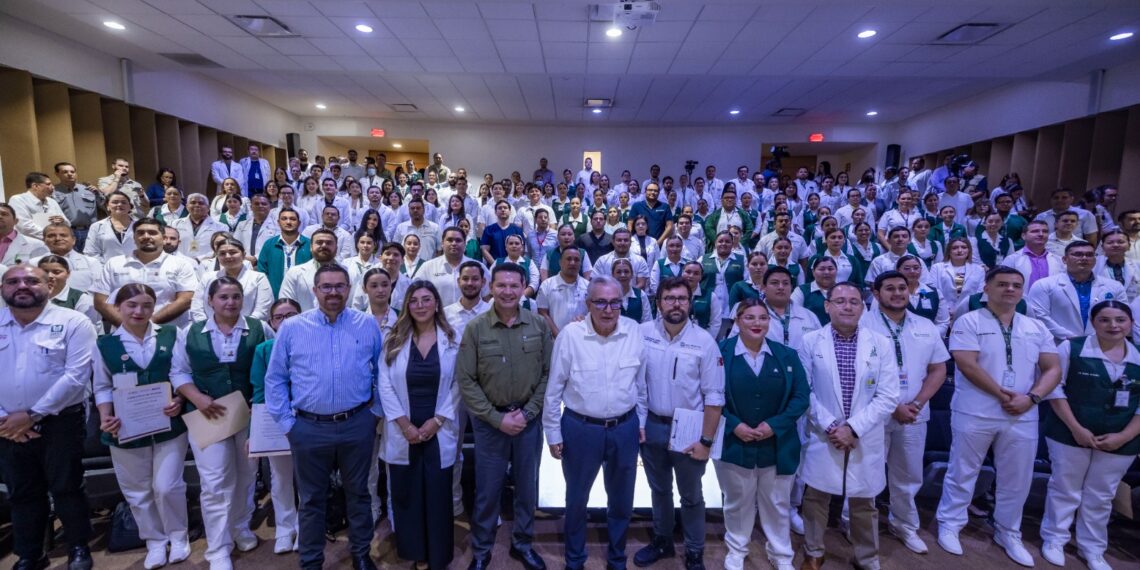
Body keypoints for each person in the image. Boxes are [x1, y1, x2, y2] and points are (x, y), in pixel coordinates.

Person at [936, 266, 1062, 566]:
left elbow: (1053, 368)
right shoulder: (968, 321)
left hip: (1023, 412)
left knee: (1016, 478)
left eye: (1016, 285)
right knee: (963, 470)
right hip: (976, 410)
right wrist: (1004, 395)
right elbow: (966, 363)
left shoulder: (1036, 327)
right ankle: (951, 523)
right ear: (987, 289)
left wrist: (1031, 397)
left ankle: (1008, 531)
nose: (1010, 290)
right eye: (1002, 284)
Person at [264, 264, 383, 570]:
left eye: (340, 286)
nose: (333, 292)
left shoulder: (367, 324)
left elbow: (382, 373)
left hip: (357, 424)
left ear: (349, 289)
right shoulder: (292, 328)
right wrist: (288, 424)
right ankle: (311, 561)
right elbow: (275, 378)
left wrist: (375, 414)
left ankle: (360, 553)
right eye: (326, 287)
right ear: (315, 291)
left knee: (359, 494)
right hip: (308, 427)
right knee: (312, 499)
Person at [544, 276, 647, 570]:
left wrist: (641, 422)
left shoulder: (634, 332)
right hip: (580, 429)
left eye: (615, 302)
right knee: (576, 499)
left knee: (622, 499)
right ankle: (575, 558)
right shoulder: (570, 335)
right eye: (600, 302)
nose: (608, 309)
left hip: (624, 428)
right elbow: (554, 389)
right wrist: (552, 433)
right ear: (588, 303)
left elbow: (640, 386)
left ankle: (617, 557)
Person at [0, 265, 98, 570]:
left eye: (32, 280)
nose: (22, 286)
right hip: (6, 427)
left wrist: (31, 415)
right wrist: (5, 420)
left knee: (67, 486)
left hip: (61, 419)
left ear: (49, 285)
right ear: (3, 288)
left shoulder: (73, 322)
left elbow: (76, 376)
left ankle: (78, 547)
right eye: (13, 281)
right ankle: (30, 554)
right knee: (22, 491)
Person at [796, 281, 899, 570]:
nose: (847, 306)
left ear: (863, 308)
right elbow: (805, 391)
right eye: (840, 301)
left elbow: (889, 395)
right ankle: (814, 551)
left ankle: (867, 557)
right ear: (827, 306)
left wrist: (852, 428)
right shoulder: (810, 341)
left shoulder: (881, 343)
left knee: (865, 503)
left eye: (854, 302)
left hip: (863, 435)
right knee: (815, 498)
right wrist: (831, 426)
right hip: (823, 434)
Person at [456, 263, 552, 570]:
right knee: (487, 490)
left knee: (527, 488)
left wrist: (529, 412)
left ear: (524, 287)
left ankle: (522, 543)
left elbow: (549, 374)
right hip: (489, 424)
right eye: (501, 286)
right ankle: (482, 550)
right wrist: (497, 420)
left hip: (528, 421)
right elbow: (467, 380)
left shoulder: (538, 325)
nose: (508, 291)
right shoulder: (476, 328)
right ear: (490, 288)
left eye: (514, 285)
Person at [170, 277, 270, 570]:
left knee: (246, 475)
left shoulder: (259, 328)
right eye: (224, 297)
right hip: (208, 414)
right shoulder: (190, 332)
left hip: (248, 415)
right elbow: (178, 371)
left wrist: (260, 403)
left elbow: (271, 367)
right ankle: (218, 547)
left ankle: (240, 527)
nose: (230, 302)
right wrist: (197, 397)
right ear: (210, 300)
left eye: (236, 296)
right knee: (214, 482)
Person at [93, 283, 190, 570]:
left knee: (167, 485)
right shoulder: (105, 344)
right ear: (118, 308)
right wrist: (104, 416)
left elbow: (182, 372)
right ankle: (155, 541)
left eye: (146, 305)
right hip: (124, 426)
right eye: (132, 305)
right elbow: (101, 386)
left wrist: (179, 399)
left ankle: (179, 535)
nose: (139, 311)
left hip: (169, 422)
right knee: (137, 490)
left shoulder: (172, 334)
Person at [1039, 300, 1140, 570]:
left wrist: (1124, 436)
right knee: (1065, 488)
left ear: (1130, 323)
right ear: (1093, 323)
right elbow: (1054, 388)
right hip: (1069, 431)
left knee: (1101, 495)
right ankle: (1054, 539)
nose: (1113, 325)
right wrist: (1076, 428)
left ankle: (1093, 549)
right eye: (1104, 320)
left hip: (1123, 438)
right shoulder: (1071, 348)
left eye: (1120, 320)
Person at [710, 298, 809, 570]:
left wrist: (774, 425)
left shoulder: (786, 355)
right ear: (738, 321)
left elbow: (801, 397)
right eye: (749, 317)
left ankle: (781, 554)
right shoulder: (719, 352)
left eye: (763, 318)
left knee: (777, 504)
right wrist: (733, 425)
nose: (757, 323)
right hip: (734, 442)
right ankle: (737, 550)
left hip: (778, 444)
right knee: (736, 502)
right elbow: (708, 394)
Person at [633, 276, 724, 570]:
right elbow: (637, 384)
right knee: (659, 490)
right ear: (658, 303)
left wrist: (706, 442)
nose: (676, 304)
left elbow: (714, 397)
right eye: (669, 298)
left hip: (689, 429)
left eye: (681, 298)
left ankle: (695, 549)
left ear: (690, 302)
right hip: (653, 424)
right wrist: (639, 423)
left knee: (691, 495)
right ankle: (662, 541)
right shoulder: (643, 333)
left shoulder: (705, 342)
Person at [860, 271, 950, 554]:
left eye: (902, 288)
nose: (897, 293)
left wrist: (917, 404)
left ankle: (904, 525)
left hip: (913, 412)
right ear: (876, 293)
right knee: (866, 471)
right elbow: (857, 371)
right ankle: (857, 525)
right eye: (889, 288)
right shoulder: (862, 324)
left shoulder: (926, 326)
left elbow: (938, 369)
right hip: (873, 413)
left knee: (908, 474)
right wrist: (892, 406)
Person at [378, 281, 461, 570]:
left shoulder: (453, 338)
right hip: (404, 428)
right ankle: (418, 552)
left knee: (438, 492)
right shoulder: (393, 338)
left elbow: (459, 384)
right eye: (414, 301)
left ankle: (439, 554)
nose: (421, 305)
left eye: (427, 300)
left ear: (437, 303)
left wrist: (437, 421)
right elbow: (384, 384)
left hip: (439, 426)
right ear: (407, 306)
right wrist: (404, 424)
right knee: (407, 491)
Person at [248, 298, 302, 555]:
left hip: (308, 421)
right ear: (271, 322)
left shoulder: (312, 343)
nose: (286, 320)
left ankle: (306, 527)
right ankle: (285, 528)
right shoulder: (264, 349)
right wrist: (257, 431)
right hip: (274, 422)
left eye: (292, 314)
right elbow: (259, 391)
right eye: (279, 317)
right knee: (280, 479)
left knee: (308, 478)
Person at [90, 217, 197, 328]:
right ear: (134, 237)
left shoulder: (181, 264)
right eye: (140, 233)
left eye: (152, 233)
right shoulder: (114, 263)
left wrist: (149, 324)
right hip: (122, 334)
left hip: (167, 333)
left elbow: (186, 299)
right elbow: (100, 302)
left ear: (163, 237)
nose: (146, 236)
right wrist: (126, 326)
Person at [1028, 241, 1126, 343]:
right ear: (1064, 259)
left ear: (1095, 260)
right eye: (1078, 254)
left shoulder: (1114, 286)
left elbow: (1123, 316)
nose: (1084, 258)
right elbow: (1039, 316)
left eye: (1089, 255)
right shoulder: (1043, 285)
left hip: (1103, 344)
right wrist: (1072, 338)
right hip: (1057, 344)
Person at [190, 236, 273, 322]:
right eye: (222, 253)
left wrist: (241, 327)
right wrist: (210, 327)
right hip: (209, 330)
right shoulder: (207, 278)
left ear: (244, 255)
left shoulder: (258, 278)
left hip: (248, 330)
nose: (227, 256)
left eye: (233, 252)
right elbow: (196, 308)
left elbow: (263, 310)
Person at [279, 229, 346, 311]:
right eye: (319, 242)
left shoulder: (348, 272)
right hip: (303, 323)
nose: (324, 246)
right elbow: (286, 308)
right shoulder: (294, 273)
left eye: (329, 243)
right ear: (311, 247)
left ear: (336, 248)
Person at [257, 208, 311, 298]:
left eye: (293, 219)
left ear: (299, 223)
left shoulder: (310, 244)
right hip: (275, 296)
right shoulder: (269, 244)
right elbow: (262, 271)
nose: (288, 222)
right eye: (284, 219)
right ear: (278, 222)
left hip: (304, 295)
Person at [536, 247, 590, 337]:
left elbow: (593, 313)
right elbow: (542, 313)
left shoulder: (588, 287)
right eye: (569, 259)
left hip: (582, 339)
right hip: (554, 340)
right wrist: (559, 336)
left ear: (580, 264)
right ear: (560, 262)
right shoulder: (547, 285)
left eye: (576, 260)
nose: (573, 263)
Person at [34, 222, 103, 292]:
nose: (58, 238)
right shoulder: (33, 264)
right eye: (51, 236)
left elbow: (100, 290)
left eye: (63, 235)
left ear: (74, 240)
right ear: (44, 240)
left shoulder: (91, 263)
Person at [52, 162, 102, 252]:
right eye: (65, 172)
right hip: (66, 231)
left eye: (72, 171)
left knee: (90, 257)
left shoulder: (88, 190)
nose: (70, 174)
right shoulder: (53, 192)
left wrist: (98, 194)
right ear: (57, 174)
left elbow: (104, 206)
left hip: (90, 231)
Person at [169, 193, 228, 262]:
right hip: (180, 262)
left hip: (207, 263)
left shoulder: (221, 227)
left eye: (201, 203)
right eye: (193, 203)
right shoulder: (175, 224)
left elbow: (222, 247)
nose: (197, 205)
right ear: (187, 206)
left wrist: (199, 259)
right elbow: (171, 244)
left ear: (208, 208)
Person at [10, 171, 68, 241]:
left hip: (53, 242)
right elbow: (24, 226)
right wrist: (51, 236)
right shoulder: (18, 200)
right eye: (48, 184)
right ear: (35, 186)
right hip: (29, 243)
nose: (53, 187)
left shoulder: (52, 201)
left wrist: (63, 221)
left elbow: (67, 223)